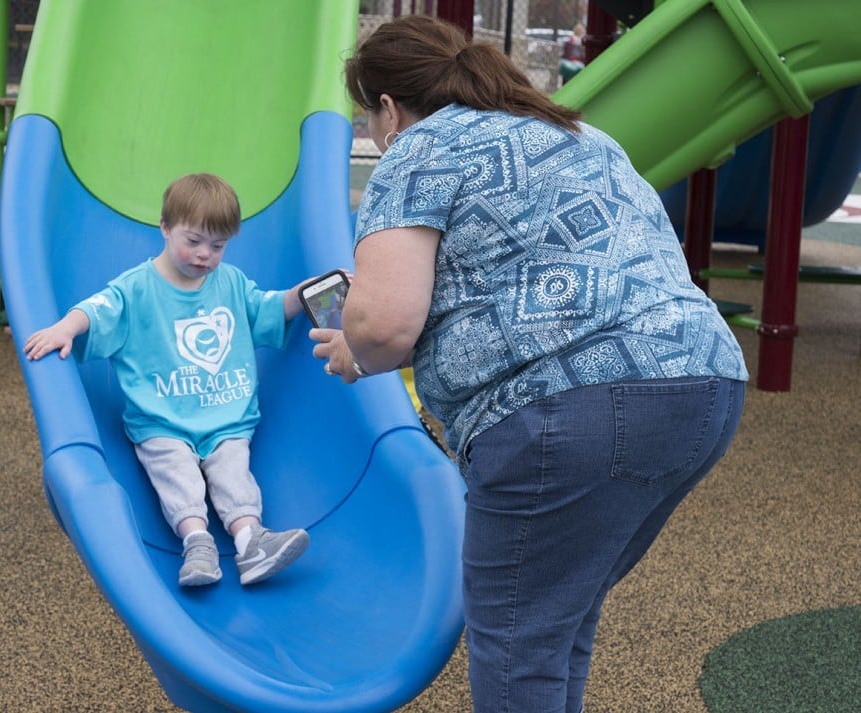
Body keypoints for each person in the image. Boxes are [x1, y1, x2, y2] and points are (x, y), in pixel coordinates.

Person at [313, 15, 747, 712]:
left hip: (565, 405)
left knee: (519, 639)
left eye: (370, 117)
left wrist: (353, 349)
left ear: (388, 109)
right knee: (556, 619)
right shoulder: (576, 131)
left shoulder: (417, 147)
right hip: (703, 383)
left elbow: (384, 323)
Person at [24, 173, 310, 588]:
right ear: (164, 227)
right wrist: (65, 328)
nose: (204, 255)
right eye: (192, 241)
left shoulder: (228, 281)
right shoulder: (138, 288)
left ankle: (251, 541)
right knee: (176, 473)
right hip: (162, 420)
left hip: (225, 417)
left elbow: (264, 308)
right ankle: (197, 544)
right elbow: (98, 309)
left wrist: (302, 295)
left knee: (234, 472)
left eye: (217, 245)